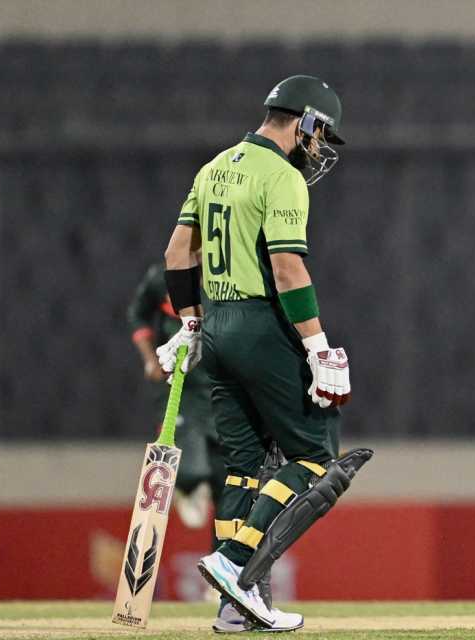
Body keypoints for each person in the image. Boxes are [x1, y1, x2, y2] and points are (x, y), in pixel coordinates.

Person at [157, 75, 352, 632]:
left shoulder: (214, 166)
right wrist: (316, 346)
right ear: (306, 120)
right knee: (315, 456)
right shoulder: (282, 177)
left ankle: (231, 608)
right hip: (260, 326)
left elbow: (177, 253)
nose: (319, 147)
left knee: (241, 469)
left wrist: (191, 322)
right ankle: (235, 564)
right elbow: (289, 268)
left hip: (216, 327)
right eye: (321, 133)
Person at [127, 262, 225, 539]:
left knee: (229, 486)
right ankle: (189, 485)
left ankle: (223, 572)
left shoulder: (240, 277)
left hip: (223, 391)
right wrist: (149, 359)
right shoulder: (163, 277)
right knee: (189, 467)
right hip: (178, 387)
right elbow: (138, 314)